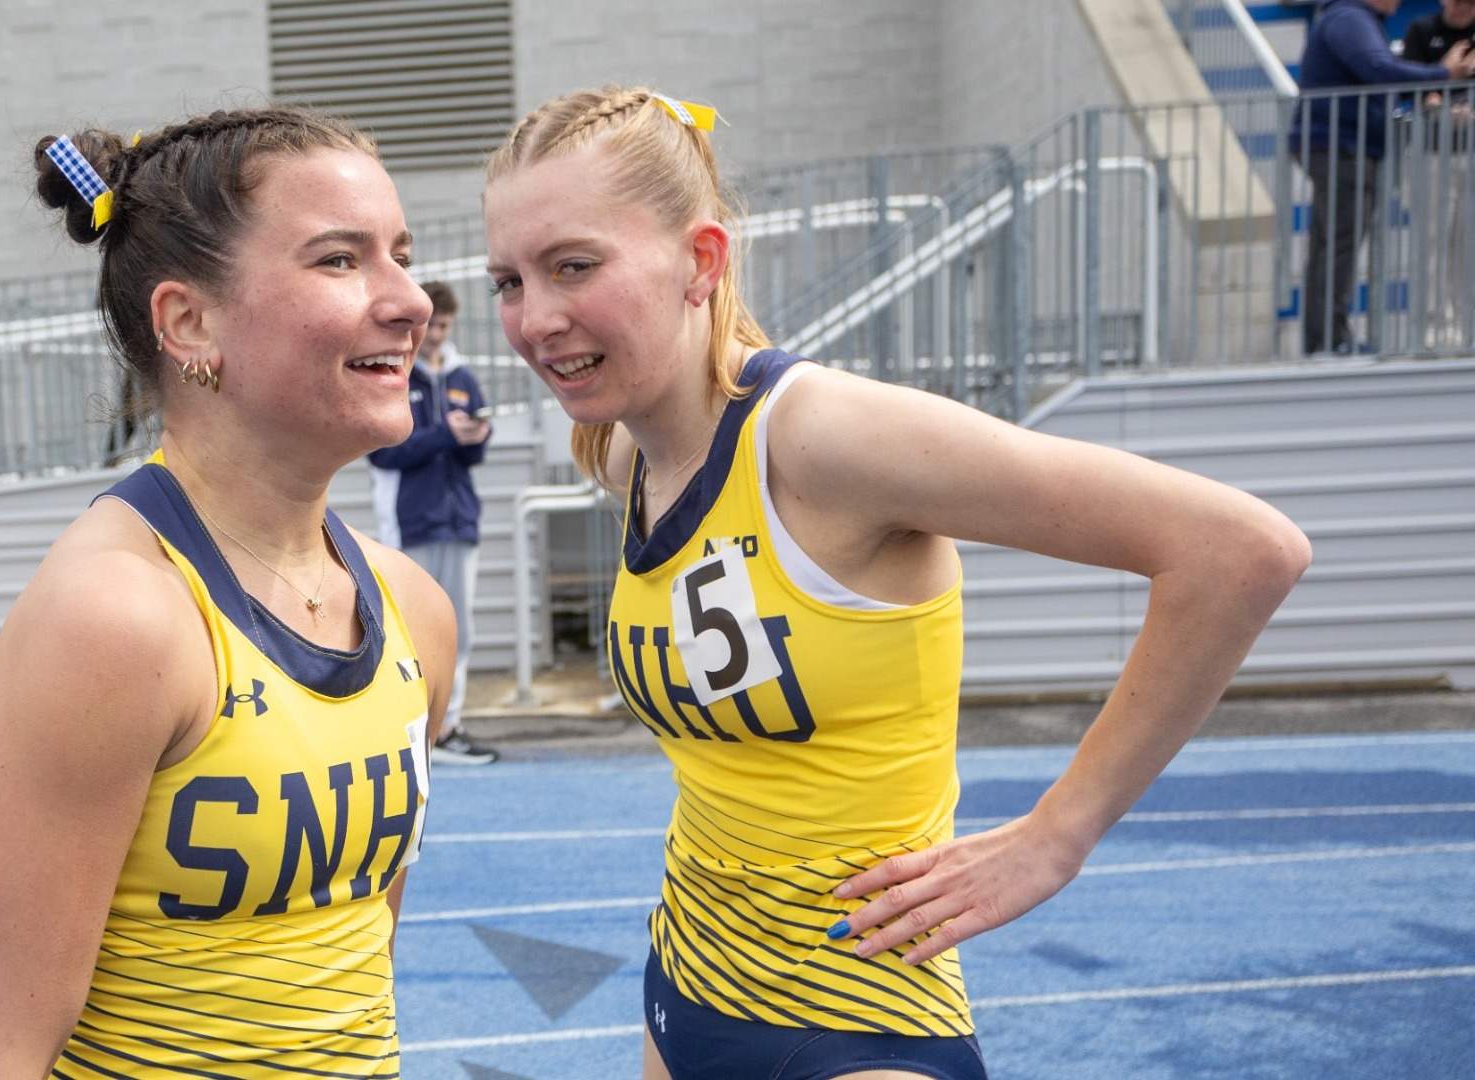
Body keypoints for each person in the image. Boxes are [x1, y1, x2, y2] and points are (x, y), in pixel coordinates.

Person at [482, 86, 1311, 1080]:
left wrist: (1058, 835)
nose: (535, 319)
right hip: (686, 988)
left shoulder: (823, 438)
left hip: (860, 1017)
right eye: (511, 281)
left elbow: (1241, 552)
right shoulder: (625, 457)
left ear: (701, 260)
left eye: (574, 266)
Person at [0, 106, 453, 1079]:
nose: (412, 298)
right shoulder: (116, 622)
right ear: (188, 321)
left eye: (402, 253)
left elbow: (349, 972)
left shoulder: (415, 611)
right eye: (342, 260)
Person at [1291, 0, 1475, 356]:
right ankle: (1331, 339)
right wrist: (1442, 75)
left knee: (1330, 245)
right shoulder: (1351, 17)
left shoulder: (1354, 18)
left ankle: (1325, 338)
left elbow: (1384, 73)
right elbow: (1378, 68)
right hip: (1340, 146)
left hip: (1342, 145)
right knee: (1338, 244)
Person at [369, 279, 499, 765]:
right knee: (409, 630)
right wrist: (446, 433)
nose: (440, 333)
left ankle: (448, 728)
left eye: (445, 324)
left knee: (457, 627)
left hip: (458, 519)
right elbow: (385, 454)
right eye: (433, 324)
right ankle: (410, 728)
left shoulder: (464, 375)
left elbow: (473, 454)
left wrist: (477, 435)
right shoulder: (395, 374)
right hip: (411, 522)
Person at [1404, 0, 1475, 345]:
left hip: (1471, 152)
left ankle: (1467, 324)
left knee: (1467, 240)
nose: (1464, 9)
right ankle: (1435, 326)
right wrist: (1437, 104)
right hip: (1433, 153)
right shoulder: (1422, 30)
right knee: (1435, 239)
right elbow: (1408, 84)